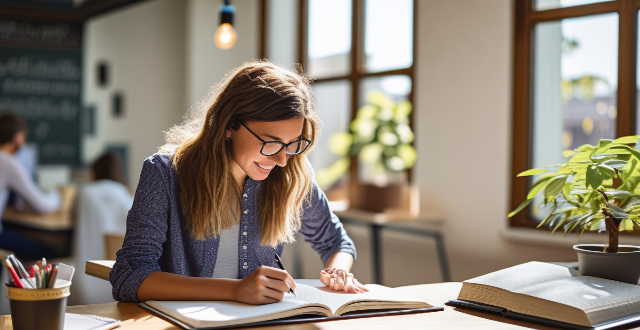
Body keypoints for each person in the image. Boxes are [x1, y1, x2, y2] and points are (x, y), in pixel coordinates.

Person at [110, 60, 367, 304]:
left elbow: (337, 242)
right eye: (271, 142)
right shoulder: (164, 173)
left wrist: (337, 272)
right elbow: (129, 277)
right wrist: (234, 290)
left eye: (292, 144)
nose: (281, 160)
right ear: (229, 125)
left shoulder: (292, 174)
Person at [71, 152, 133, 304]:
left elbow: (72, 218)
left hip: (86, 276)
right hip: (120, 278)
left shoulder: (84, 192)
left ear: (95, 171)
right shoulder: (125, 194)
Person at [0, 113, 61, 260]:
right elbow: (42, 205)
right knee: (51, 253)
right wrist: (58, 196)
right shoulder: (8, 162)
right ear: (19, 138)